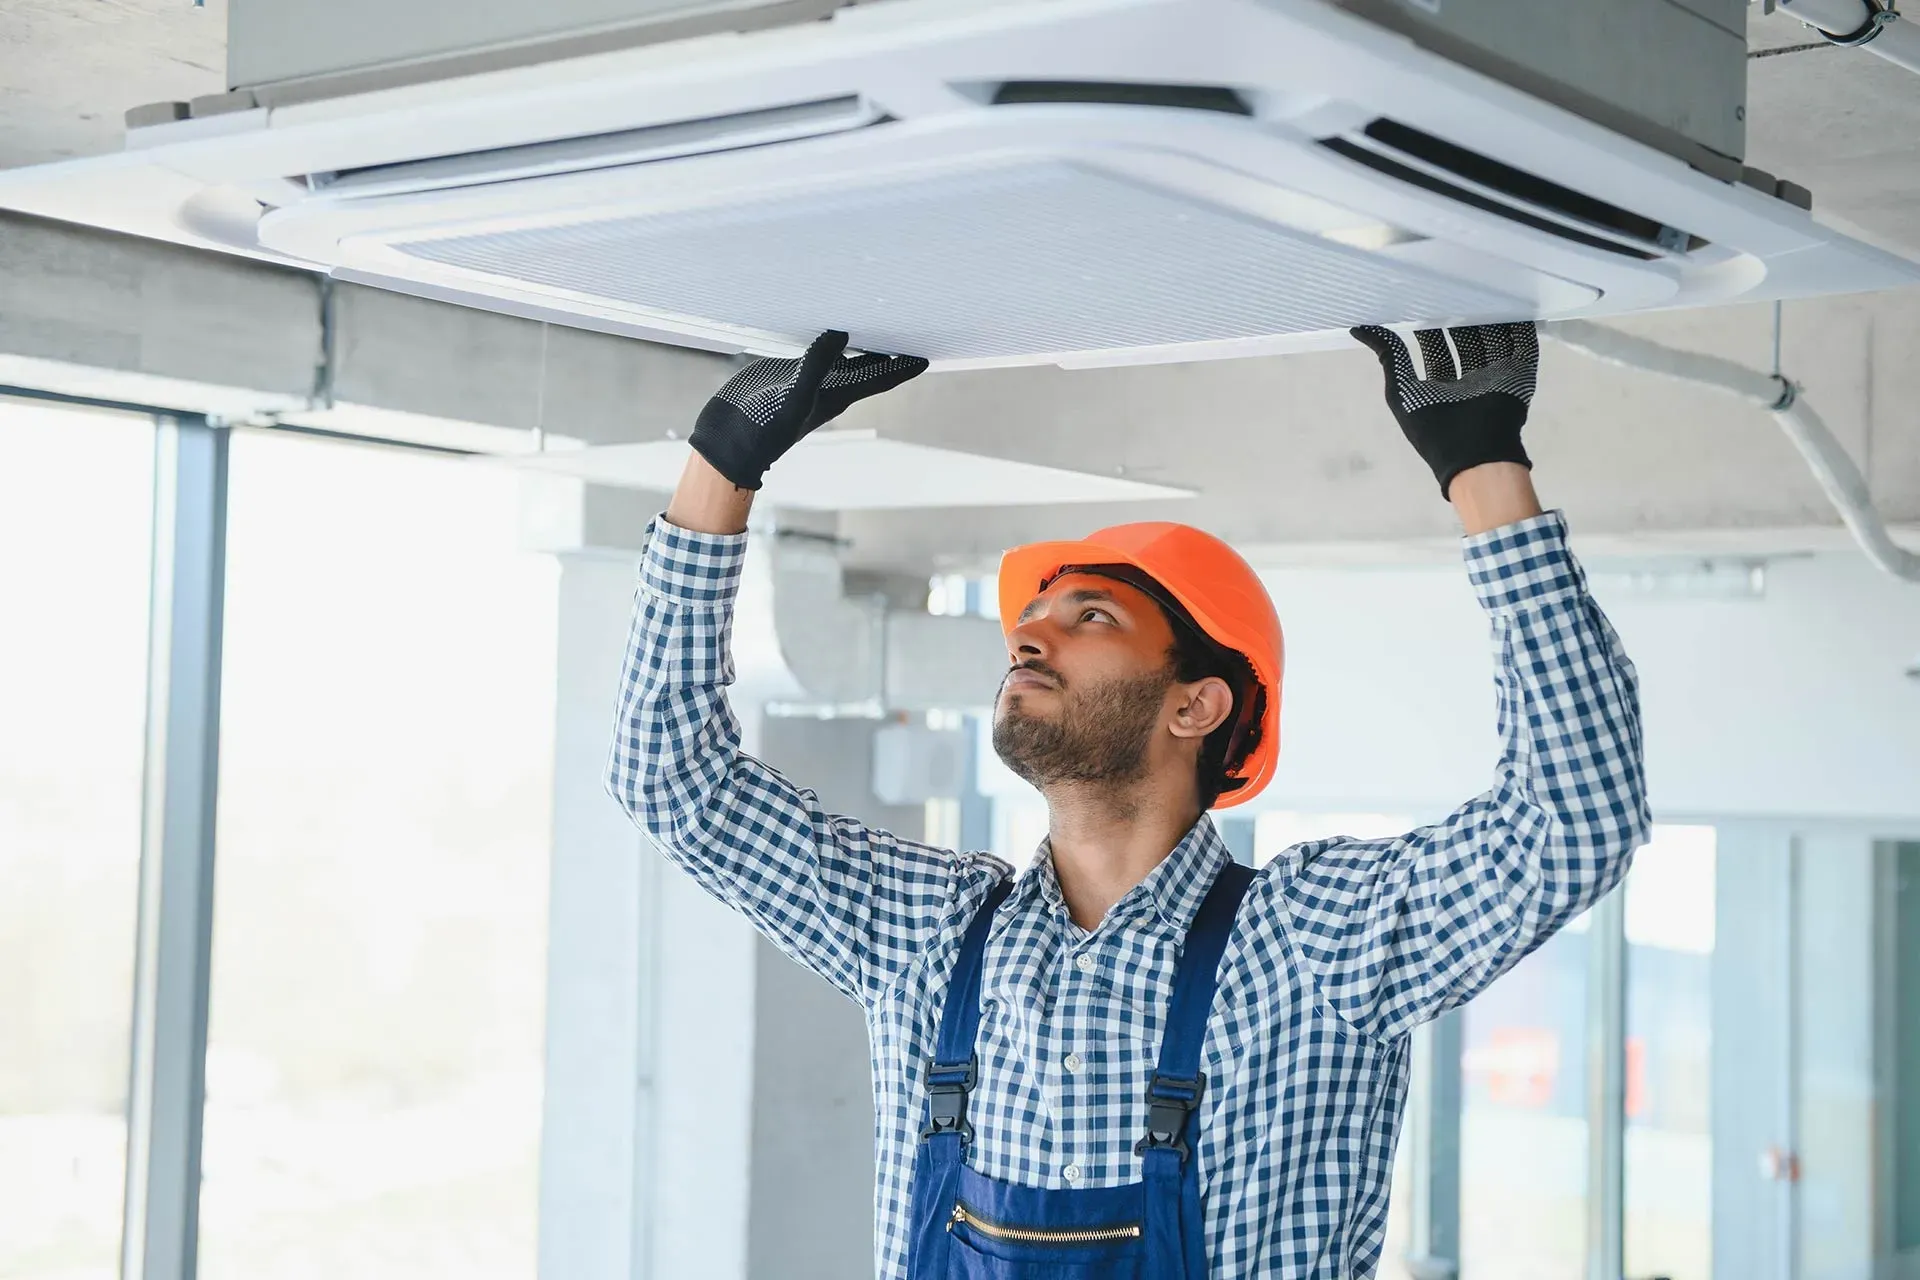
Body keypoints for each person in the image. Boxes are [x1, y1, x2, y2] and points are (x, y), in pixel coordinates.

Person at [607, 323, 1649, 1279]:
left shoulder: (1313, 942)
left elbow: (1572, 824)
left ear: (1196, 704)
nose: (1028, 634)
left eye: (1090, 616)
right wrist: (720, 467)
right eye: (1034, 617)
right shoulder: (927, 936)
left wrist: (1483, 470)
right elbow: (669, 775)